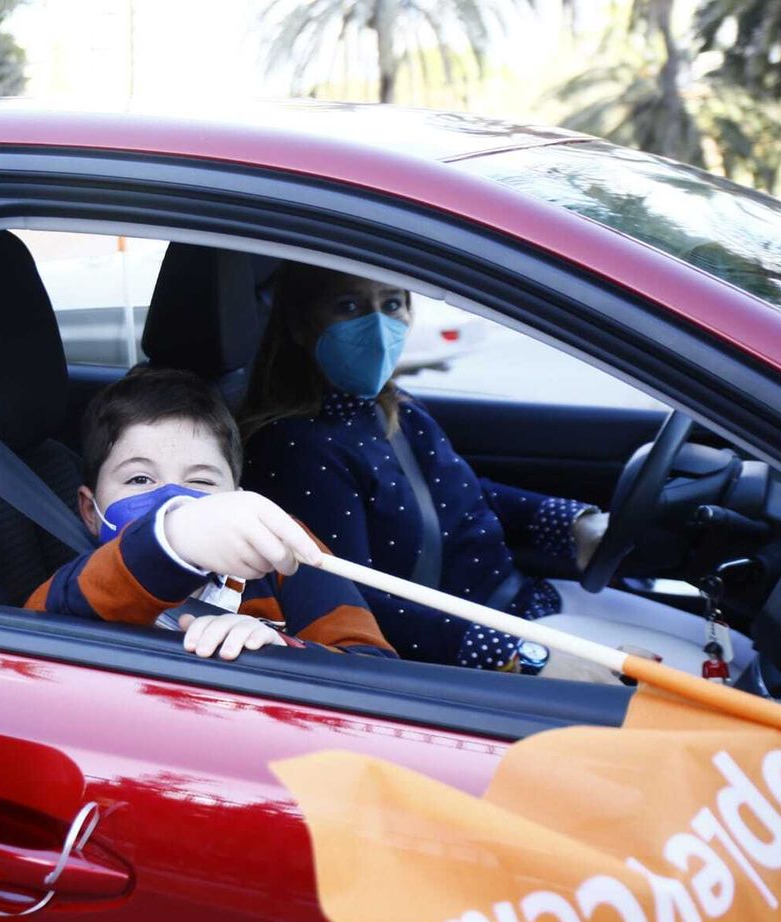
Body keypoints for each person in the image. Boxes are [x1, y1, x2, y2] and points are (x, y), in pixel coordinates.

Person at [237, 262, 744, 681]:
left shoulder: (390, 408)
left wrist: (572, 523)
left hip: (522, 602)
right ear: (302, 325)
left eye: (391, 303)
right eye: (348, 306)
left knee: (739, 658)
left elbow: (459, 494)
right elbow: (354, 599)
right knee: (725, 683)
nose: (377, 324)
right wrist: (522, 656)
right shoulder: (298, 448)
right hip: (477, 646)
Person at [26, 366, 395, 662]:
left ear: (237, 498)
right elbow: (34, 636)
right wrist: (172, 541)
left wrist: (285, 652)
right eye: (140, 478)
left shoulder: (280, 549)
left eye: (200, 480)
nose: (173, 499)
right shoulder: (84, 585)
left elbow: (375, 667)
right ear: (91, 511)